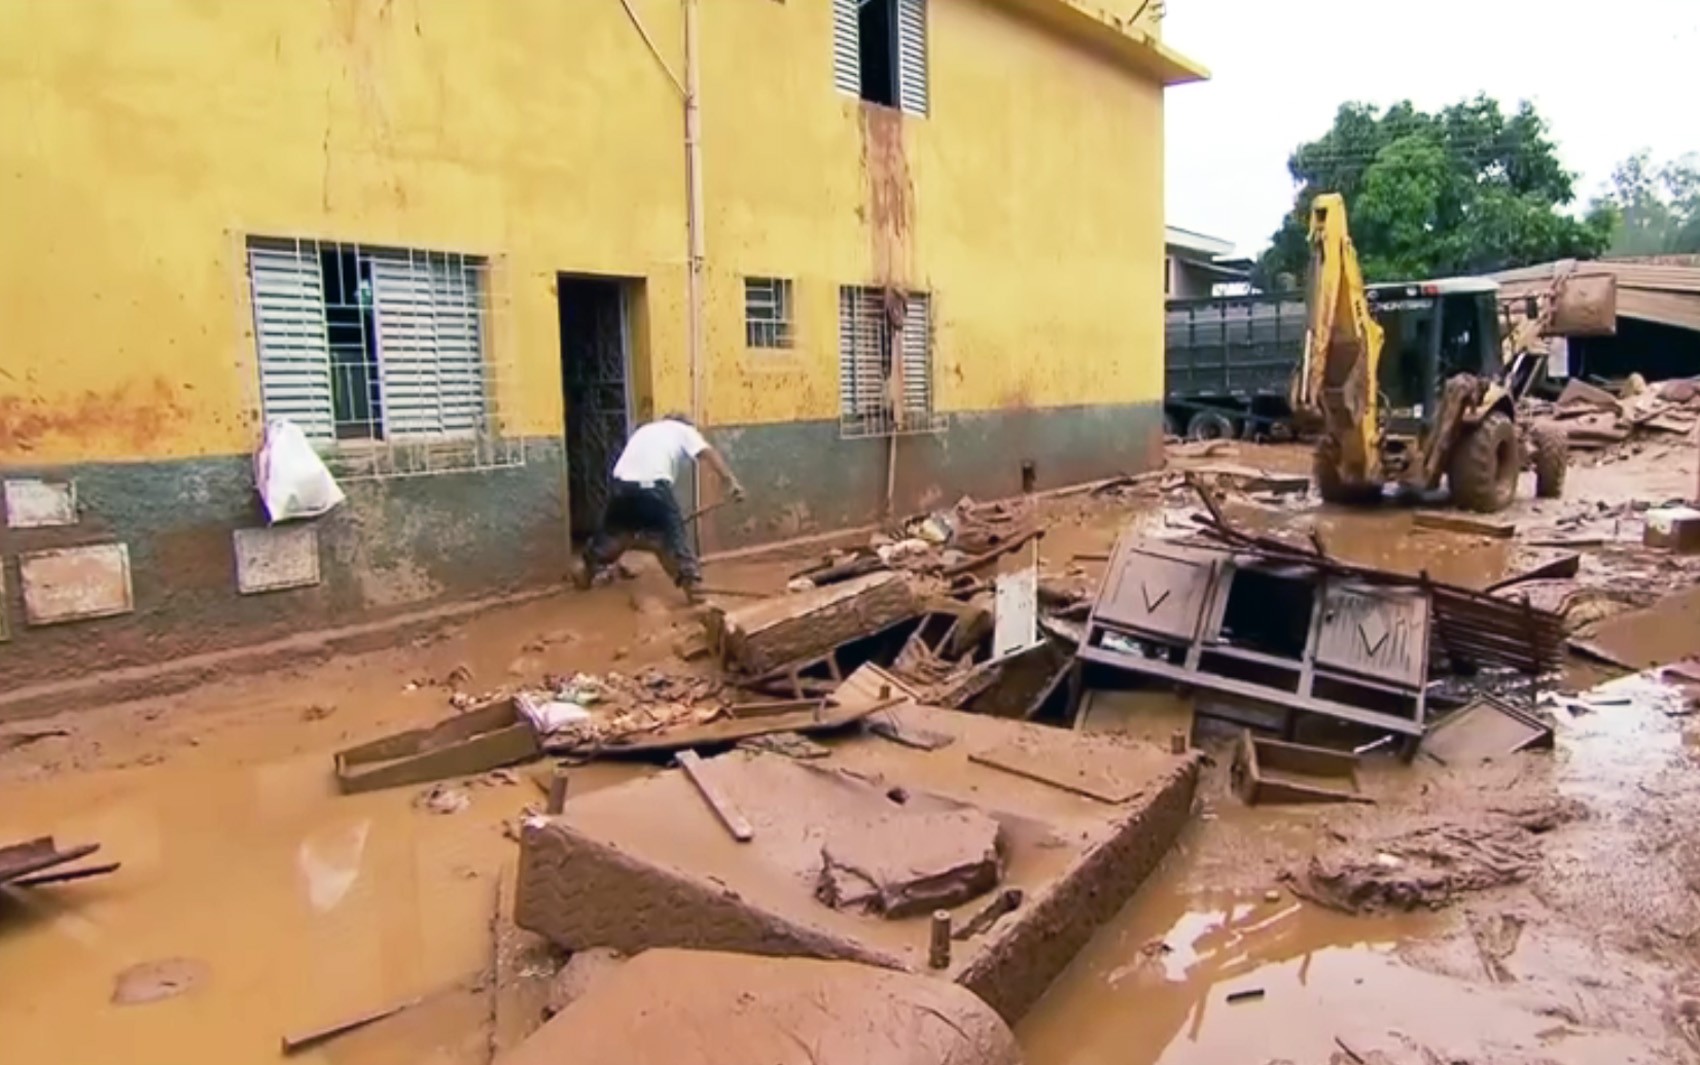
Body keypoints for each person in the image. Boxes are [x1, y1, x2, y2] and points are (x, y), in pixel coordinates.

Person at [578, 413, 745, 601]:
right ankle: (692, 583)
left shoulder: (646, 429)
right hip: (654, 487)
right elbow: (708, 453)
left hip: (622, 486)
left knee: (614, 533)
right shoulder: (685, 430)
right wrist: (731, 483)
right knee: (674, 536)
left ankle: (588, 569)